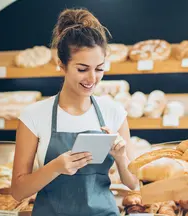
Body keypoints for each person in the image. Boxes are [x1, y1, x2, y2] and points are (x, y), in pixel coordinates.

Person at [11, 8, 138, 216]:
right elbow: (18, 191)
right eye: (82, 69)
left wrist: (121, 157)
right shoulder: (33, 116)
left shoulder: (113, 112)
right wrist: (56, 167)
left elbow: (132, 182)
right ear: (61, 65)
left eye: (99, 69)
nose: (92, 78)